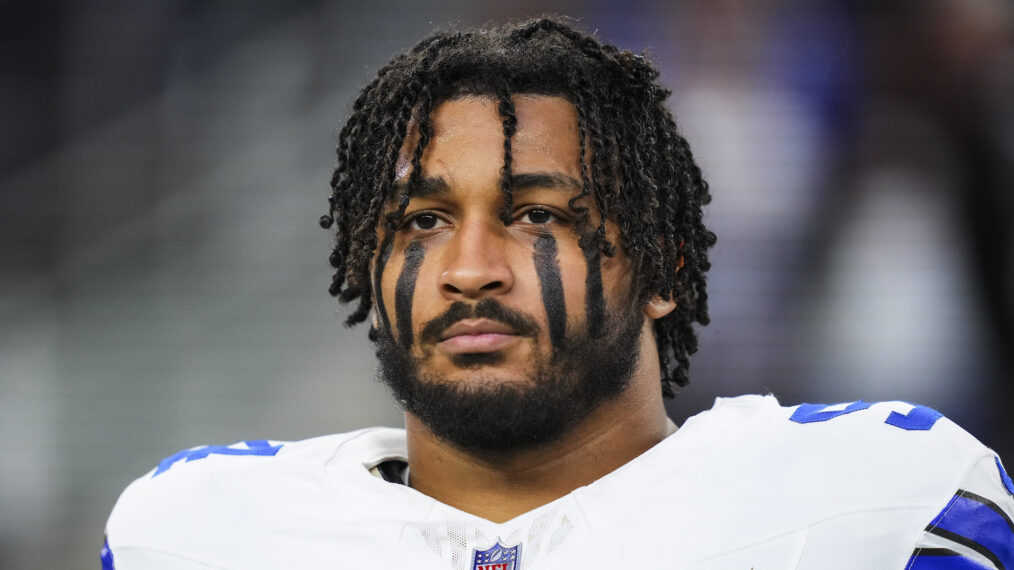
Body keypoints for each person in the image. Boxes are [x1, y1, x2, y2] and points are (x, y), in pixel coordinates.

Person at [102, 17, 1014, 569]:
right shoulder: (196, 532)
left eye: (536, 216)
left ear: (664, 268)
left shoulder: (883, 500)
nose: (469, 268)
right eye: (421, 219)